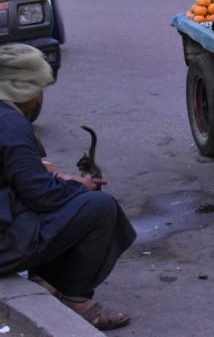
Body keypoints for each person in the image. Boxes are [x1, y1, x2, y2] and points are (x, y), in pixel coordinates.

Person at [0, 43, 136, 331]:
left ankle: (45, 278)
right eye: (38, 90)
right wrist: (81, 188)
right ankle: (75, 297)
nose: (40, 99)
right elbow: (40, 196)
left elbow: (19, 176)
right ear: (23, 90)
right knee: (100, 207)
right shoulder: (10, 124)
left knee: (66, 200)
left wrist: (60, 179)